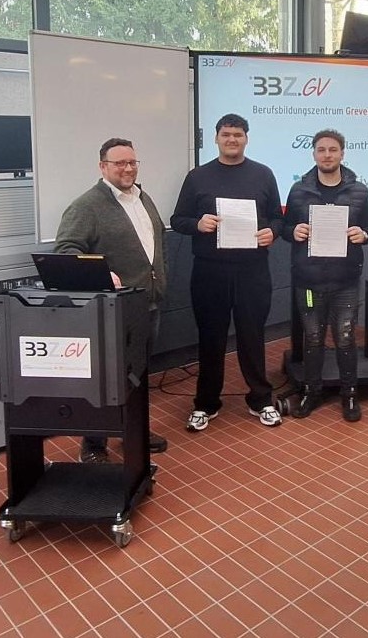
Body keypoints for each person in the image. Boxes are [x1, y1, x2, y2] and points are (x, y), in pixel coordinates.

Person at [54, 138, 168, 463]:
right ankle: (93, 445)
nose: (128, 168)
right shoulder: (86, 206)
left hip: (146, 304)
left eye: (132, 162)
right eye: (119, 163)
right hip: (112, 310)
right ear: (103, 166)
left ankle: (133, 430)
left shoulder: (143, 198)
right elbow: (66, 250)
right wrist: (101, 272)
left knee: (138, 375)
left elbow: (156, 243)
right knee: (106, 379)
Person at [170, 114, 284, 431]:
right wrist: (198, 224)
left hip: (252, 270)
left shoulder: (263, 174)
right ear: (216, 138)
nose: (232, 139)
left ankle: (261, 400)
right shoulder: (197, 177)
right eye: (226, 134)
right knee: (211, 338)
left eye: (237, 134)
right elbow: (178, 219)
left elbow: (278, 218)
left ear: (246, 138)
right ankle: (206, 404)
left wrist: (273, 232)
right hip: (210, 271)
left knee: (252, 336)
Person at [281, 129, 368, 422]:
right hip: (308, 281)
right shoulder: (299, 190)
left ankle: (349, 394)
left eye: (333, 150)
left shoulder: (360, 191)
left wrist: (364, 234)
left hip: (345, 279)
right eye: (321, 150)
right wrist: (293, 231)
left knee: (345, 338)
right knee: (312, 338)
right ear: (314, 154)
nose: (327, 155)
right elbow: (285, 228)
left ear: (342, 153)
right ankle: (311, 392)